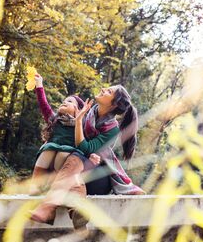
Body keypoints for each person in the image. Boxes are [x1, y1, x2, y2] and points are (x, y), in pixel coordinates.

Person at [29, 81, 144, 228]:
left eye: (108, 92)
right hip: (79, 171)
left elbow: (85, 148)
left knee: (74, 156)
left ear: (114, 104)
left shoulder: (112, 129)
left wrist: (78, 122)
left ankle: (48, 208)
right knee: (66, 157)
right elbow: (63, 127)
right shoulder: (88, 112)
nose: (103, 89)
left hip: (98, 178)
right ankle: (77, 211)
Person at [29, 74, 101, 195]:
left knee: (63, 153)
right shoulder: (54, 120)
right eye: (63, 101)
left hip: (66, 156)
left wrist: (92, 155)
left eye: (69, 101)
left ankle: (57, 186)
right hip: (50, 155)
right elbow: (43, 104)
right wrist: (39, 84)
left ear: (78, 109)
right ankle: (35, 185)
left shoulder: (82, 126)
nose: (64, 102)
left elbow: (88, 142)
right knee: (48, 149)